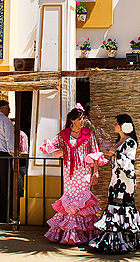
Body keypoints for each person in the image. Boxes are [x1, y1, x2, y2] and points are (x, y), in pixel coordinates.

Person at [41, 104, 105, 245]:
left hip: (84, 172)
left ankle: (82, 234)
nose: (82, 121)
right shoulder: (63, 135)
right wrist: (60, 152)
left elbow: (95, 153)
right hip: (69, 173)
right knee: (70, 201)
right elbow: (50, 145)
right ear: (72, 120)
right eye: (79, 119)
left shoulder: (89, 134)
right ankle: (70, 234)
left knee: (83, 200)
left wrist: (96, 172)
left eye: (83, 118)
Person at [90, 114, 140, 254]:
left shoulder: (130, 142)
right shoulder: (119, 142)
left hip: (124, 180)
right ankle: (116, 240)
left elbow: (130, 163)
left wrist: (115, 154)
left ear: (124, 125)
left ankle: (123, 241)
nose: (114, 125)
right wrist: (112, 154)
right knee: (114, 205)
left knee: (122, 207)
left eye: (116, 123)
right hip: (116, 179)